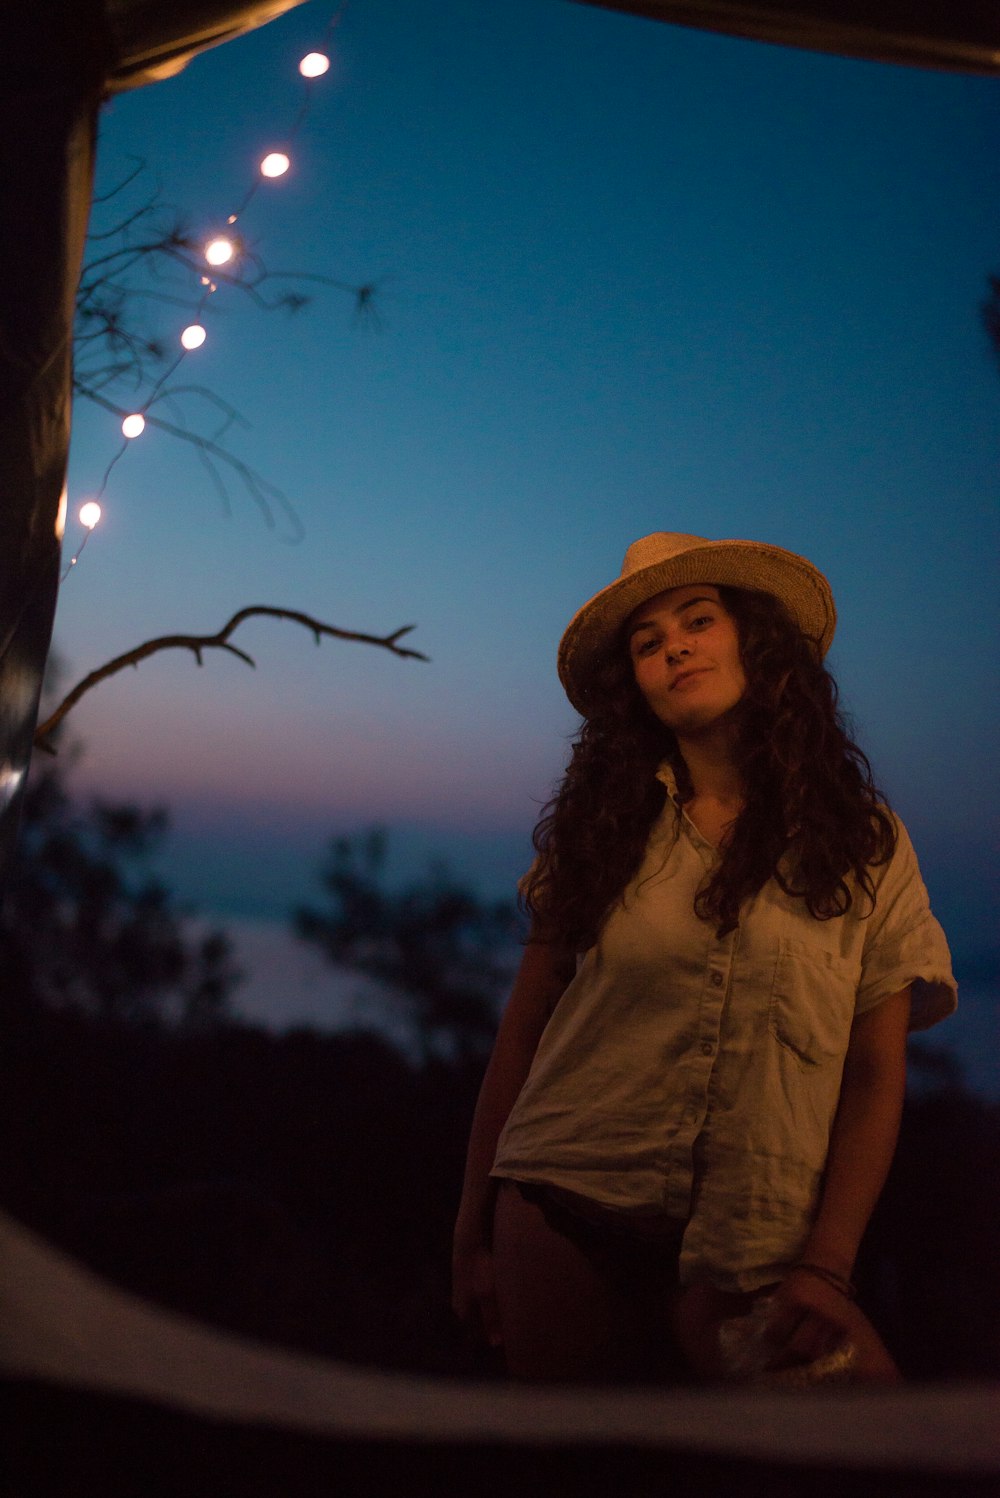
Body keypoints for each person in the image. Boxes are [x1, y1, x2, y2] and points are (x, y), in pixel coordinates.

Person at [452, 531, 956, 1385]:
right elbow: (525, 1032)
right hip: (564, 1209)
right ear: (634, 688)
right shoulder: (599, 834)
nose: (674, 646)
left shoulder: (863, 841)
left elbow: (874, 1073)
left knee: (883, 1443)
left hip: (758, 1249)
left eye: (697, 620)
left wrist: (829, 1266)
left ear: (753, 642)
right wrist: (469, 1233)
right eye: (648, 644)